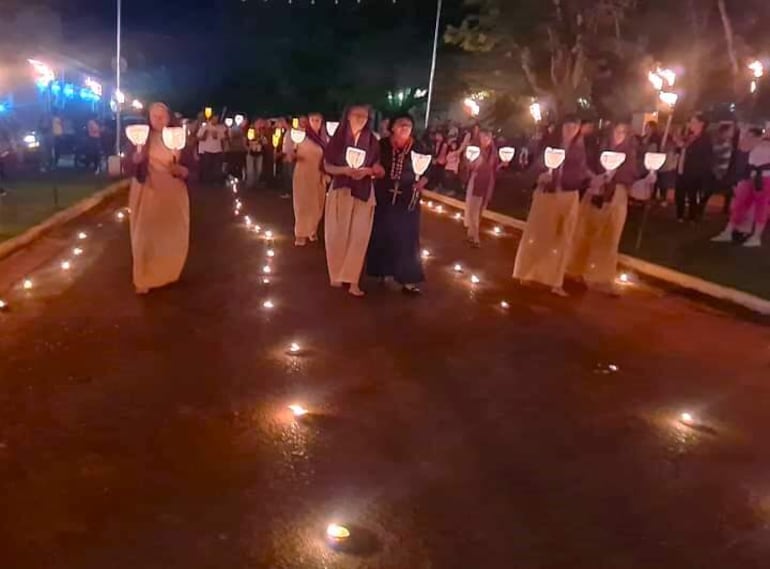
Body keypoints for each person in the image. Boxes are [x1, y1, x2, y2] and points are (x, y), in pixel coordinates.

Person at [513, 116, 590, 296]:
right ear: (561, 128)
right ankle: (527, 272)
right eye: (568, 125)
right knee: (537, 234)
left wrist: (594, 179)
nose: (571, 129)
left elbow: (583, 171)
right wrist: (539, 177)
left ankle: (555, 280)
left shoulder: (580, 151)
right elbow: (534, 168)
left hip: (568, 195)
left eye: (575, 126)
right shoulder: (548, 147)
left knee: (563, 238)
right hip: (546, 195)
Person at [125, 103, 190, 295]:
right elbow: (128, 164)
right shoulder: (141, 138)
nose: (159, 120)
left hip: (172, 192)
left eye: (162, 116)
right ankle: (143, 277)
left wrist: (183, 171)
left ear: (169, 117)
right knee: (144, 236)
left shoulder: (179, 137)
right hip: (147, 191)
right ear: (149, 118)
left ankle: (167, 273)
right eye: (155, 116)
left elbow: (193, 166)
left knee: (170, 236)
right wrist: (135, 161)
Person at [567, 120, 638, 292]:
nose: (619, 135)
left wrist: (616, 177)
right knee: (586, 232)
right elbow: (588, 168)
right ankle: (576, 269)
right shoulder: (601, 149)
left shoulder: (629, 154)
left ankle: (599, 275)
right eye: (617, 131)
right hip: (596, 194)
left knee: (609, 236)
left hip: (616, 198)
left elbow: (631, 175)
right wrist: (597, 178)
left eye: (623, 132)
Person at [323, 105, 383, 297]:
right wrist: (344, 171)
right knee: (337, 234)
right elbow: (326, 165)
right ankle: (337, 273)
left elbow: (378, 166)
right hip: (341, 189)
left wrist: (370, 171)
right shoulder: (338, 138)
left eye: (365, 117)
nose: (361, 119)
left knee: (359, 237)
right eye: (357, 115)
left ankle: (353, 279)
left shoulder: (373, 140)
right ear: (348, 116)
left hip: (364, 192)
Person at [366, 113, 428, 295]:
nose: (405, 128)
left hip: (408, 198)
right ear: (392, 127)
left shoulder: (419, 147)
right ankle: (382, 271)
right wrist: (375, 170)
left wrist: (423, 181)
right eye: (401, 124)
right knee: (382, 233)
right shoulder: (382, 145)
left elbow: (429, 168)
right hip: (384, 196)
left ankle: (408, 280)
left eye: (408, 125)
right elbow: (371, 162)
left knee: (407, 238)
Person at [712, 127, 770, 247]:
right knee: (740, 204)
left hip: (765, 178)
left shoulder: (761, 142)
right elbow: (743, 149)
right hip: (750, 176)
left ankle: (756, 236)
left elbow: (745, 147)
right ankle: (729, 232)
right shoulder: (759, 141)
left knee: (761, 207)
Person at [291, 112, 328, 246]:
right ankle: (300, 233)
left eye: (318, 120)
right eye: (313, 120)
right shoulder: (300, 136)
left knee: (317, 204)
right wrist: (293, 155)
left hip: (318, 174)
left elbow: (328, 156)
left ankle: (312, 230)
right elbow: (290, 154)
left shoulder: (324, 139)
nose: (315, 123)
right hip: (303, 173)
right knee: (302, 203)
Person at [464, 129, 499, 247]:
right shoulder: (476, 151)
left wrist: (502, 165)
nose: (484, 140)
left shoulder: (492, 153)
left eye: (487, 138)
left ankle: (475, 237)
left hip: (485, 183)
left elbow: (493, 169)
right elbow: (469, 166)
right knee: (473, 208)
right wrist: (470, 165)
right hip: (476, 181)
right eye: (482, 138)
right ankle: (472, 235)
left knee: (477, 210)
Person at [675, 113, 713, 222]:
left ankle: (692, 216)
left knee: (692, 194)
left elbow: (702, 154)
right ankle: (680, 215)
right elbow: (681, 149)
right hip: (682, 168)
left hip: (694, 171)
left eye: (693, 122)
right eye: (690, 122)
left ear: (701, 124)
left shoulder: (705, 138)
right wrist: (679, 146)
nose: (690, 124)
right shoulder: (689, 136)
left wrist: (682, 145)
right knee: (680, 193)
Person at [706, 122, 735, 216]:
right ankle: (699, 207)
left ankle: (725, 209)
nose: (733, 132)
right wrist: (716, 170)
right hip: (718, 171)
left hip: (724, 171)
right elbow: (714, 156)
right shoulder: (719, 141)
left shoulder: (728, 141)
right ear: (725, 131)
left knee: (728, 191)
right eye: (731, 130)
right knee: (710, 191)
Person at [197, 114, 226, 184]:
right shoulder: (205, 127)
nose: (216, 120)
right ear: (211, 119)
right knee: (207, 167)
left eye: (217, 119)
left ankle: (215, 182)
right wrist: (206, 133)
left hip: (217, 150)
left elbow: (223, 139)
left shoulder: (220, 128)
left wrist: (223, 150)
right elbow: (199, 138)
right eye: (214, 119)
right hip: (207, 150)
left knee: (217, 168)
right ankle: (206, 182)